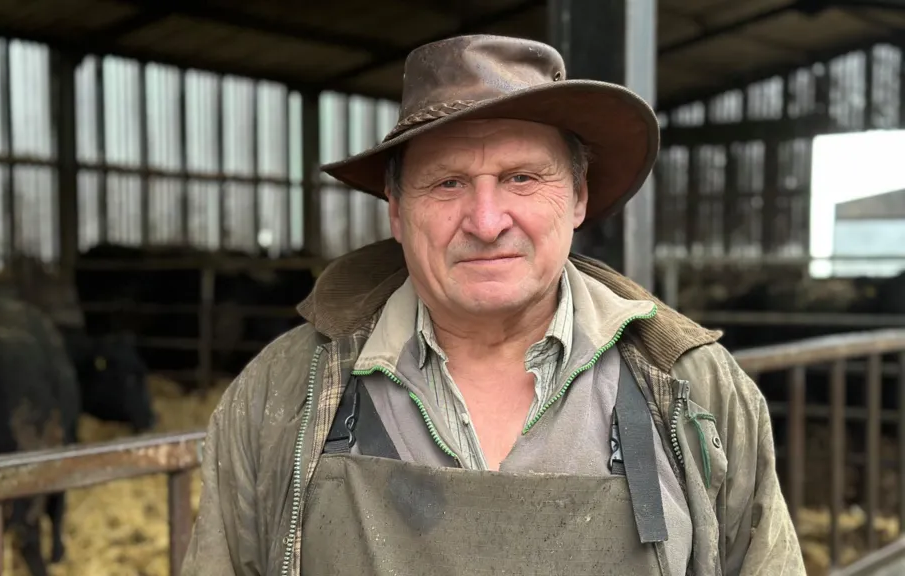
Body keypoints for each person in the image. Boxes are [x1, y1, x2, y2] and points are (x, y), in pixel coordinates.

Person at [181, 34, 805, 576]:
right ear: (397, 211)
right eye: (447, 182)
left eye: (522, 178)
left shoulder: (693, 389)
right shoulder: (282, 393)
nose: (485, 220)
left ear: (579, 197)